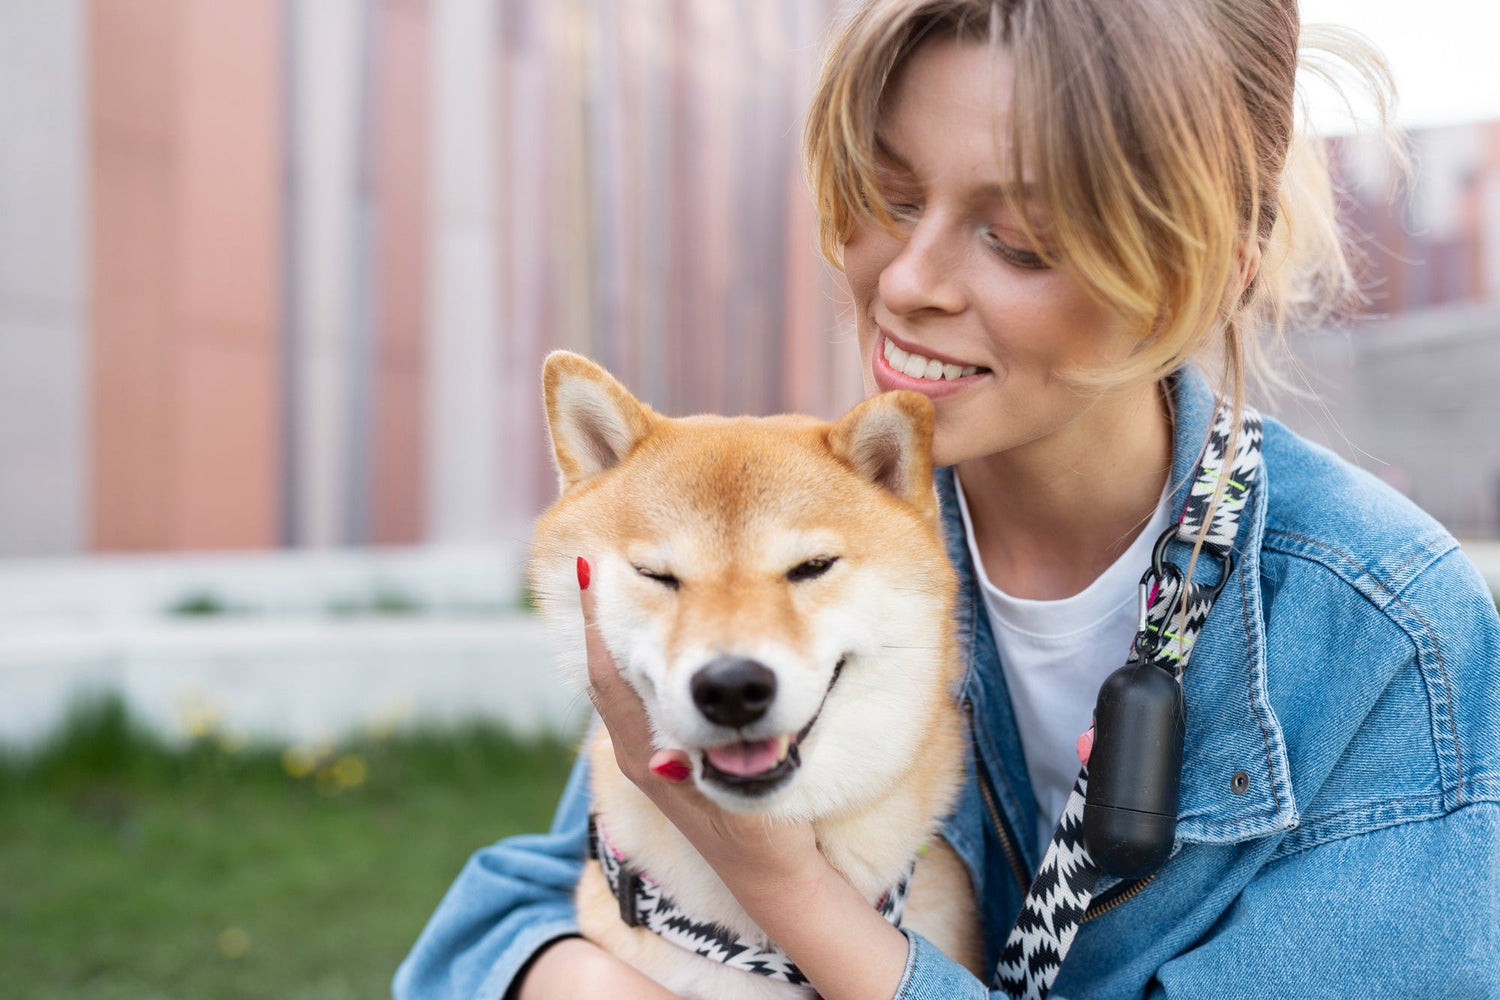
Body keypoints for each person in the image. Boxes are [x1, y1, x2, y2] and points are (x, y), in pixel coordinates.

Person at [395, 1, 1500, 997]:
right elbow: (538, 896)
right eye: (887, 196)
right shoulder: (822, 516)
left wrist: (786, 887)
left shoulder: (1382, 635)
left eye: (1018, 239)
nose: (908, 281)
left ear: (1211, 265)